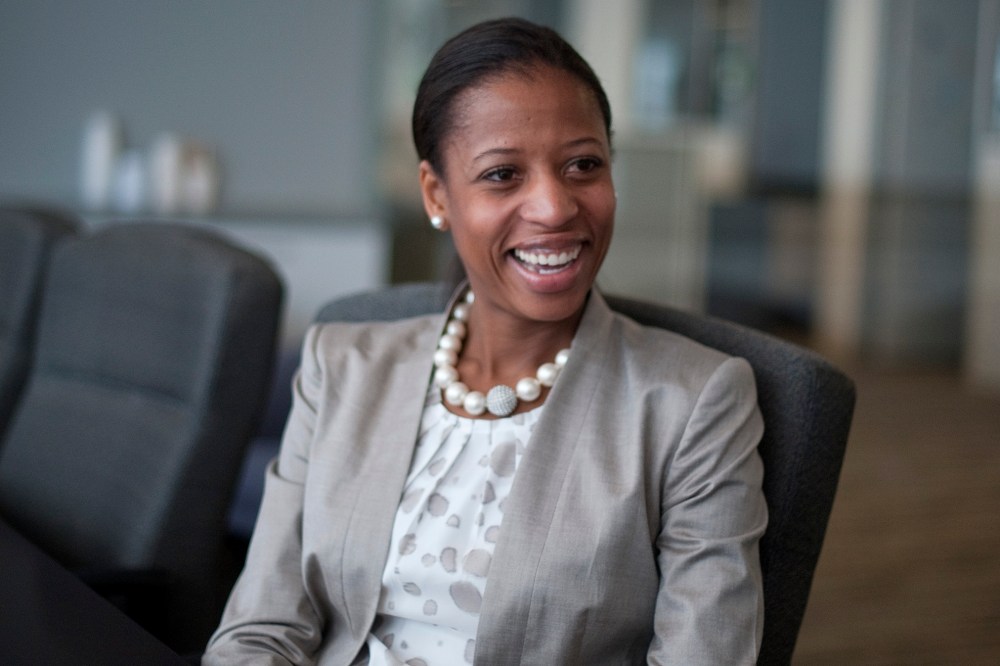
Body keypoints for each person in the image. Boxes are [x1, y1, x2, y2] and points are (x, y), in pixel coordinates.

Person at [204, 17, 766, 665]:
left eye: (584, 164)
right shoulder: (342, 365)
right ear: (436, 195)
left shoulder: (693, 402)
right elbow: (262, 627)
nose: (554, 208)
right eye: (503, 175)